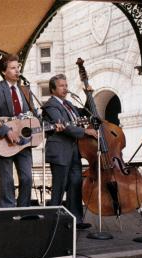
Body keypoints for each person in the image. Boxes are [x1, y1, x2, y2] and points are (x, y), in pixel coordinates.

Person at [42, 74, 97, 229]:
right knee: (59, 186)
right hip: (60, 151)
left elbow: (85, 112)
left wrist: (89, 95)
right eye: (61, 86)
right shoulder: (50, 105)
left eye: (66, 85)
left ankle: (76, 220)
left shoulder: (69, 105)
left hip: (74, 151)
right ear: (53, 89)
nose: (65, 88)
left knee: (75, 184)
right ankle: (53, 222)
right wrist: (85, 132)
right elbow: (63, 125)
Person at [0, 54, 35, 208]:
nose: (17, 70)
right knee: (7, 180)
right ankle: (9, 212)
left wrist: (44, 124)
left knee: (27, 178)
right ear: (4, 71)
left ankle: (23, 210)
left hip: (23, 142)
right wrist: (6, 131)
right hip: (3, 141)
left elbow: (34, 115)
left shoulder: (25, 90)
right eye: (13, 68)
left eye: (18, 67)